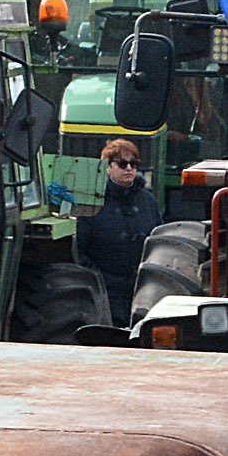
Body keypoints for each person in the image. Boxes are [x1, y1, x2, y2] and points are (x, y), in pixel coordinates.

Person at [80, 137, 157, 321]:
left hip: (141, 289)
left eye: (133, 164)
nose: (129, 169)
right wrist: (98, 279)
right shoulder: (92, 203)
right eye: (122, 164)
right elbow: (80, 249)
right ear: (108, 167)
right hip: (105, 290)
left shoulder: (148, 201)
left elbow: (158, 239)